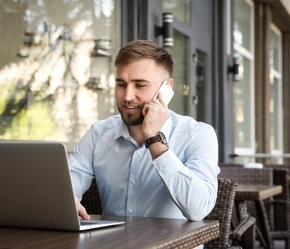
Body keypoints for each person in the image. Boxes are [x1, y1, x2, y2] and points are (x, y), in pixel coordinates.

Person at [68, 39, 219, 221]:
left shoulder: (198, 135)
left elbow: (199, 209)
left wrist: (155, 139)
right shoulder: (99, 133)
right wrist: (66, 199)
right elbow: (67, 185)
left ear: (166, 89)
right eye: (121, 84)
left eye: (140, 85)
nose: (127, 96)